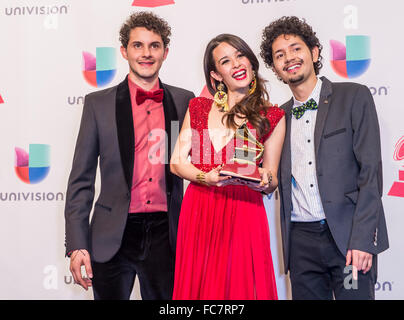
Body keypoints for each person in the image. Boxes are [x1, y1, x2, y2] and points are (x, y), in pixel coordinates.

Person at [64, 11, 195, 300]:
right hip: (111, 235)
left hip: (168, 235)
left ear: (165, 52)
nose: (146, 54)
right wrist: (77, 244)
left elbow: (202, 163)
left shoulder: (186, 101)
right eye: (138, 45)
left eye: (154, 46)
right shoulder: (97, 105)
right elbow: (80, 182)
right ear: (124, 51)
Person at [260, 16, 389, 300]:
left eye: (296, 49)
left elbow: (371, 174)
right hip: (302, 246)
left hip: (347, 242)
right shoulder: (277, 118)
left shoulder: (353, 97)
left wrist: (362, 240)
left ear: (314, 52)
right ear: (275, 67)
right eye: (279, 55)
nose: (289, 58)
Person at [170, 34, 285, 299]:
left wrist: (266, 179)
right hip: (199, 208)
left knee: (239, 289)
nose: (236, 63)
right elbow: (177, 163)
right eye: (226, 60)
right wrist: (204, 177)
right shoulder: (198, 107)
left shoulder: (271, 116)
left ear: (251, 61)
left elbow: (272, 178)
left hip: (244, 213)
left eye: (240, 55)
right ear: (216, 74)